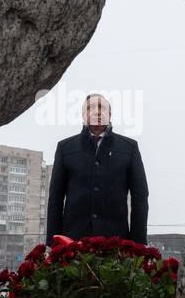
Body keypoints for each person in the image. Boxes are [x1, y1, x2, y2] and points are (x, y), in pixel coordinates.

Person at [46, 93, 149, 245]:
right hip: (73, 244)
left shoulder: (129, 148)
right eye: (90, 108)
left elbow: (140, 197)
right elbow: (55, 199)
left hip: (115, 243)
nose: (96, 111)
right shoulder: (65, 148)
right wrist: (53, 243)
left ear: (110, 114)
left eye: (101, 107)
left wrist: (137, 244)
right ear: (83, 116)